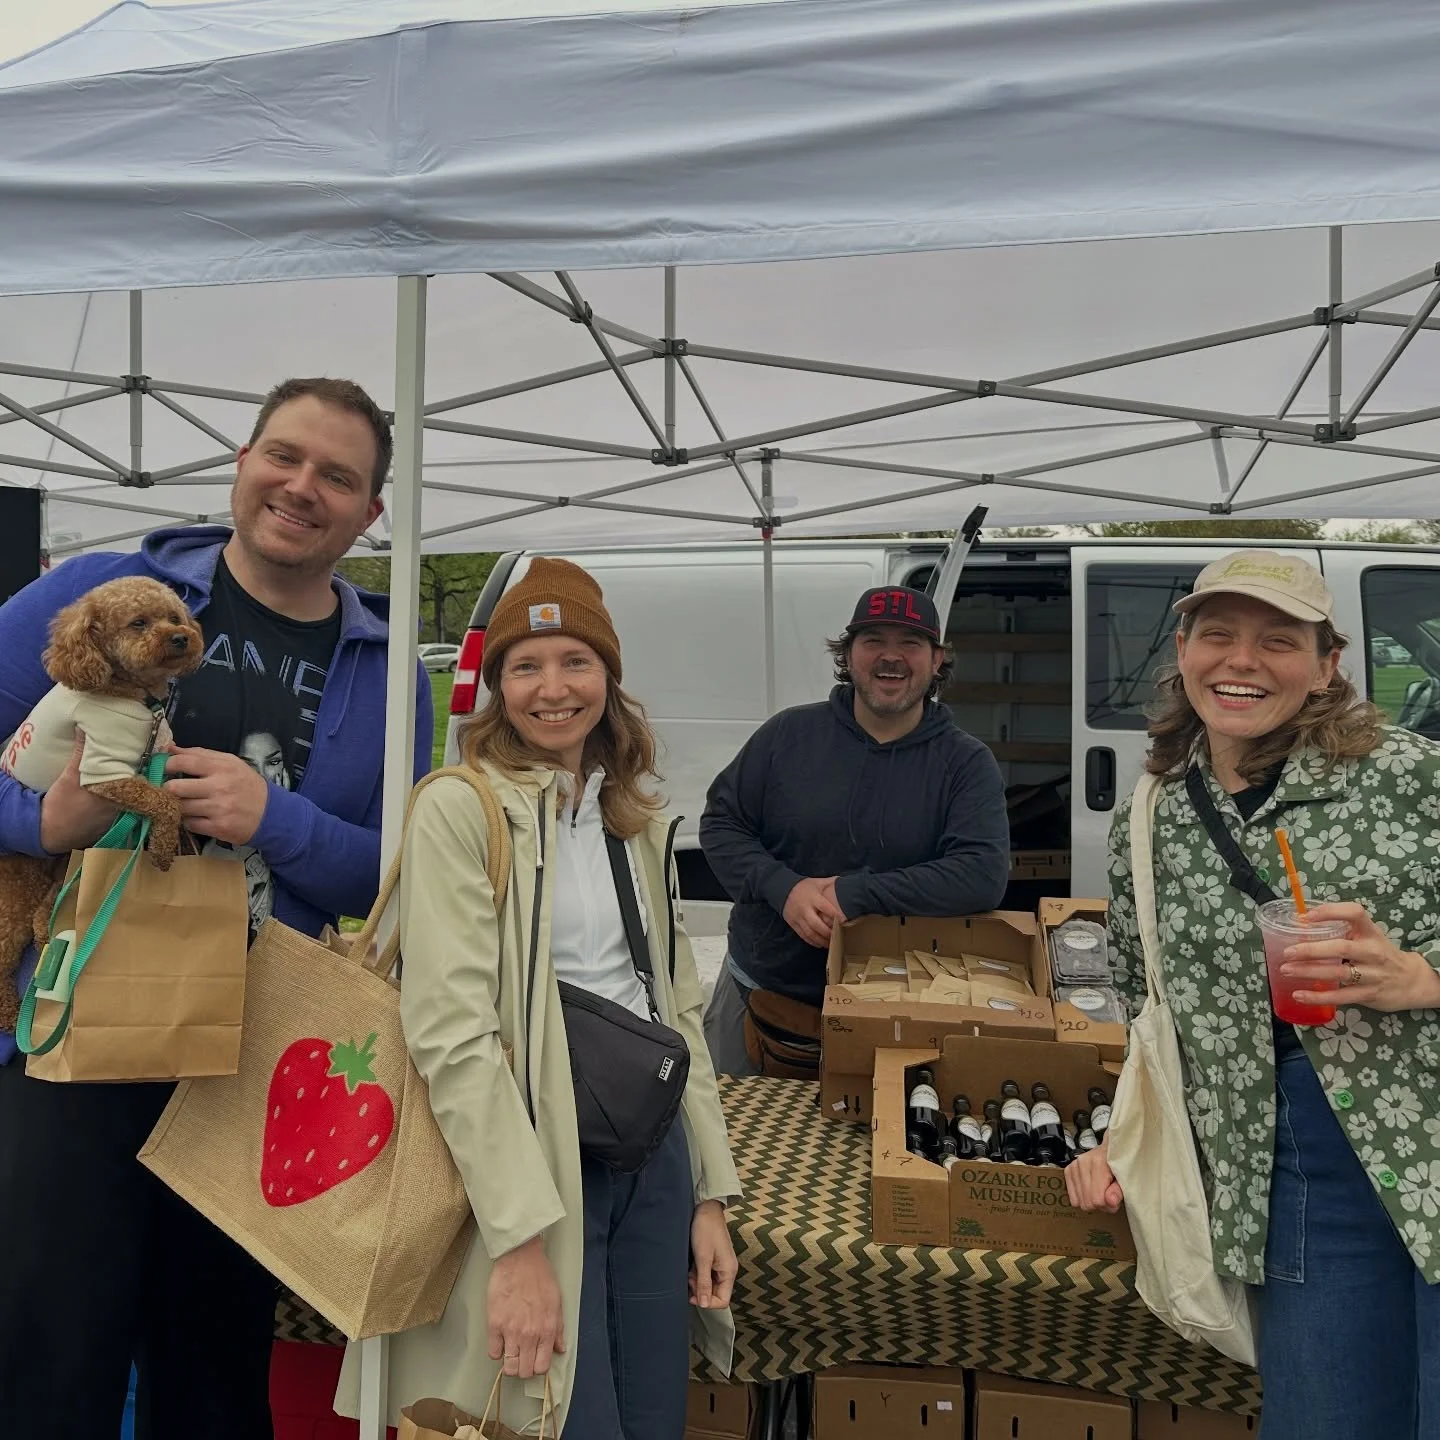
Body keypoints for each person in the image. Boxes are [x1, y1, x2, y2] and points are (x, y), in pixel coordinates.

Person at [0, 377, 432, 1440]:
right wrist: (40, 822)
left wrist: (276, 819)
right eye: (284, 456)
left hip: (252, 1053)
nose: (303, 486)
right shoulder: (104, 589)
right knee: (52, 1360)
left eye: (338, 476)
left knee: (215, 1374)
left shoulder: (391, 668)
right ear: (242, 463)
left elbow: (396, 880)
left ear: (370, 513)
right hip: (73, 1033)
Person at [338, 558, 741, 1438]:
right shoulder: (461, 810)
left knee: (653, 1416)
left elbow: (675, 1010)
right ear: (498, 685)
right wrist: (516, 1243)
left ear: (609, 677)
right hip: (534, 1159)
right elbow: (451, 1034)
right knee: (562, 1417)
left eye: (575, 662)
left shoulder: (635, 820)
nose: (552, 689)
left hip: (651, 1154)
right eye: (526, 666)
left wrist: (709, 1193)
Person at [1066, 550, 1440, 1439]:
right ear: (1183, 651)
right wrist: (1121, 1137)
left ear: (1326, 665)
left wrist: (1423, 978)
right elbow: (1146, 1006)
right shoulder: (1154, 815)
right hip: (1293, 1177)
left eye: (1278, 640)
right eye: (1218, 635)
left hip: (1427, 1128)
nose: (1242, 661)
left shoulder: (1414, 778)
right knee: (1327, 1416)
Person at [699, 583, 1009, 1075]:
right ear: (847, 654)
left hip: (897, 1012)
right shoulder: (787, 735)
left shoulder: (966, 762)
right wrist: (786, 889)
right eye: (873, 641)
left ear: (936, 660)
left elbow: (981, 873)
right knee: (733, 1122)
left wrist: (855, 894)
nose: (891, 657)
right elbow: (722, 825)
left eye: (910, 643)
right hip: (759, 990)